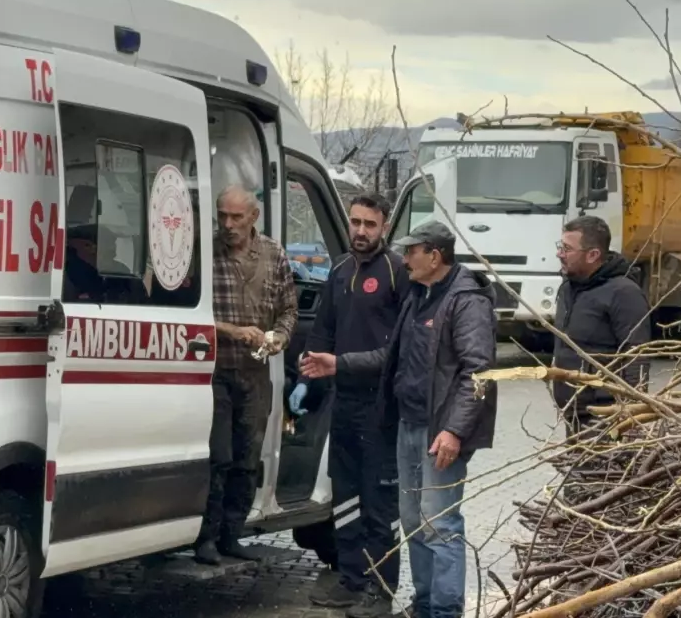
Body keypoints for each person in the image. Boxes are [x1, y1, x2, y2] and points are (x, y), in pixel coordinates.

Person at [300, 221, 498, 618]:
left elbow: (478, 374)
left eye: (412, 251)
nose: (404, 258)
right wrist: (338, 364)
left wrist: (454, 431)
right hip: (407, 425)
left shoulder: (466, 301)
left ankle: (444, 610)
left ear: (434, 256)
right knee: (412, 521)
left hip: (440, 430)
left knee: (440, 523)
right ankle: (424, 604)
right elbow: (388, 358)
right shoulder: (419, 296)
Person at [288, 193, 410, 617]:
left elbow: (400, 348)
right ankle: (350, 579)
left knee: (379, 501)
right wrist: (306, 381)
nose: (360, 231)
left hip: (381, 407)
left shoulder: (398, 273)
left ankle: (381, 588)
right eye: (355, 222)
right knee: (345, 495)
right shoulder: (338, 270)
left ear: (384, 225)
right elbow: (322, 333)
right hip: (344, 403)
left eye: (369, 224)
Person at [196, 185, 298, 565]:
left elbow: (290, 308)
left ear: (254, 217)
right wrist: (232, 330)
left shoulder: (274, 255)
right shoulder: (204, 252)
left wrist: (280, 337)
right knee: (217, 456)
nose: (227, 224)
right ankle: (205, 538)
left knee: (247, 458)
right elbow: (192, 315)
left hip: (256, 373)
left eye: (236, 217)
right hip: (215, 371)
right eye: (222, 215)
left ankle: (231, 535)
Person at [553, 215, 651, 440]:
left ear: (593, 254)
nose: (560, 254)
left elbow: (637, 355)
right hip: (574, 411)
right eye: (560, 246)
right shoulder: (570, 287)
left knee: (600, 475)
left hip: (606, 415)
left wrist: (633, 414)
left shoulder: (623, 293)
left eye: (567, 249)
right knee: (578, 474)